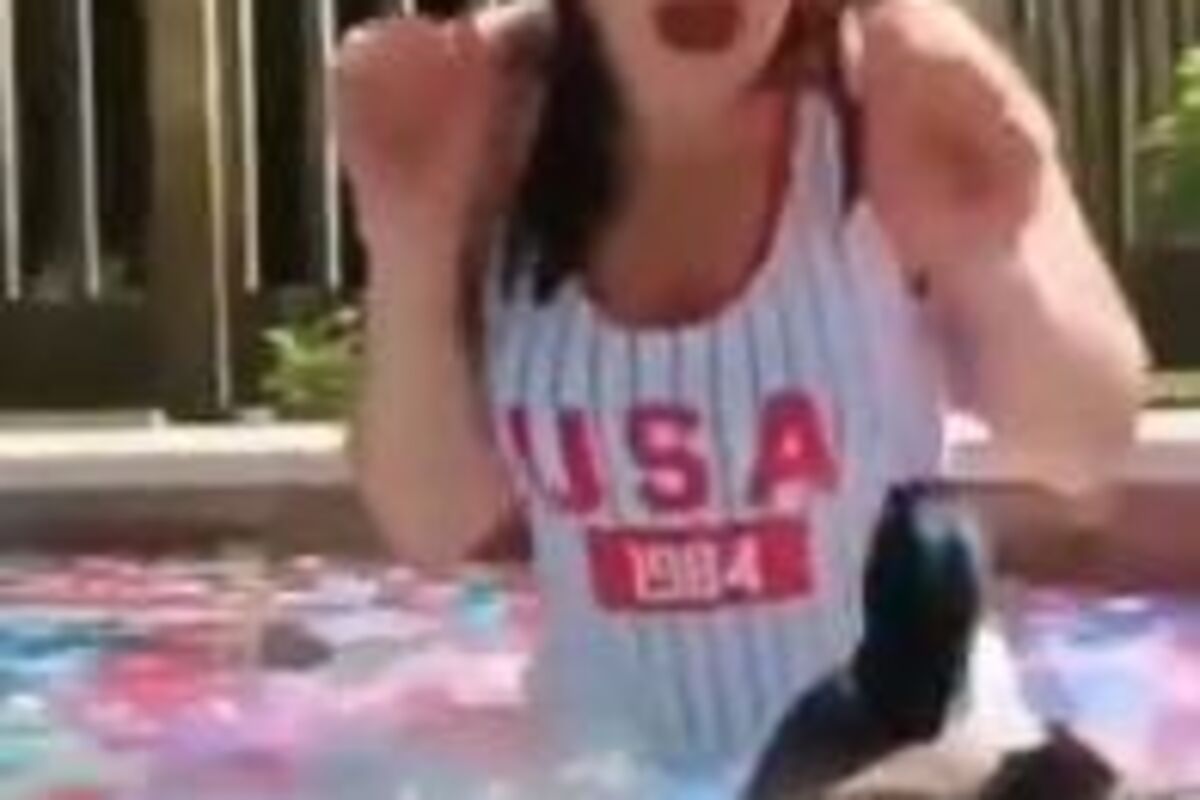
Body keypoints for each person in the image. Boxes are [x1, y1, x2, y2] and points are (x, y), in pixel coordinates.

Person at [336, 0, 1148, 794]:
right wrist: (411, 240)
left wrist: (988, 249)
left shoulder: (901, 86)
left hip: (908, 760)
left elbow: (1084, 446)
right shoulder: (486, 118)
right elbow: (433, 523)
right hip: (609, 769)